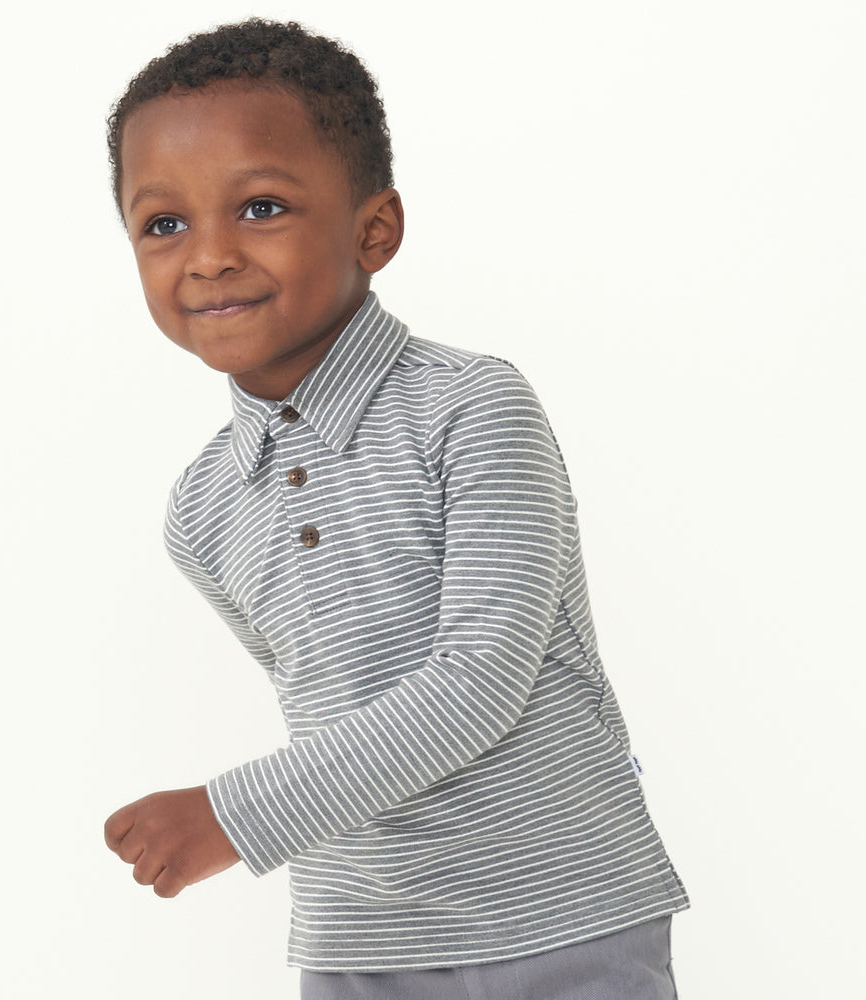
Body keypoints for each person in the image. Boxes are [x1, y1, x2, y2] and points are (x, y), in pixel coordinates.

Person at [102, 18, 689, 999]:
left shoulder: (472, 407)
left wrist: (230, 816)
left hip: (563, 913)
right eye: (163, 224)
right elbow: (333, 707)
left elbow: (478, 681)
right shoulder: (201, 508)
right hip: (357, 938)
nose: (205, 256)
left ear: (374, 230)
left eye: (259, 206)